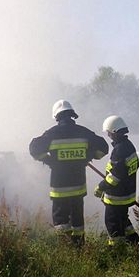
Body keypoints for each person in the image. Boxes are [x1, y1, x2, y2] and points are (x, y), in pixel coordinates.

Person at [30, 100, 108, 246]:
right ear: (72, 115)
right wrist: (87, 156)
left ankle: (65, 249)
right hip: (78, 187)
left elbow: (34, 149)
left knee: (61, 221)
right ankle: (79, 247)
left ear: (57, 116)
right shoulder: (83, 132)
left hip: (59, 188)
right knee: (77, 221)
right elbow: (103, 148)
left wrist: (49, 161)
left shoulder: (52, 134)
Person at [94, 115, 139, 247]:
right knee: (123, 221)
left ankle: (116, 250)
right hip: (126, 196)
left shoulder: (119, 150)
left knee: (112, 223)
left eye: (109, 132)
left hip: (116, 197)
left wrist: (100, 187)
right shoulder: (129, 146)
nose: (108, 135)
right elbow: (135, 166)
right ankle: (135, 243)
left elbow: (114, 177)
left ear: (114, 132)